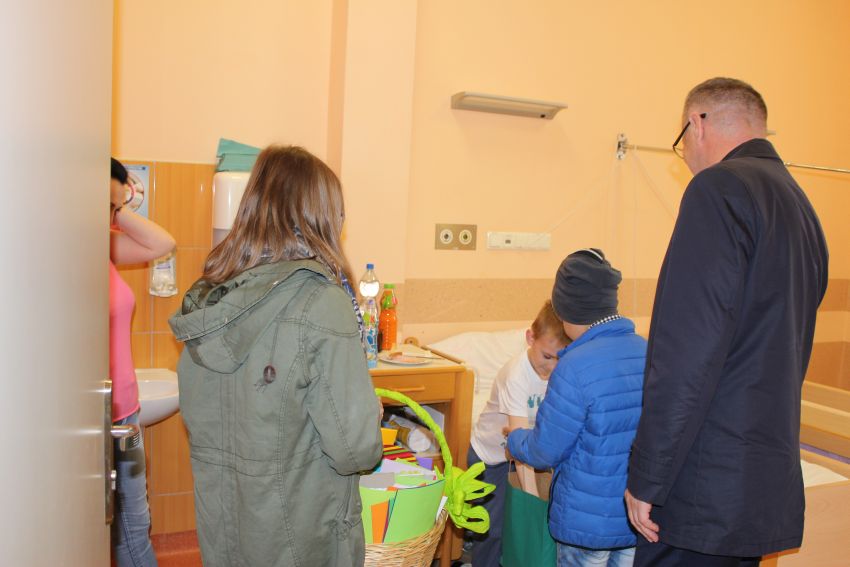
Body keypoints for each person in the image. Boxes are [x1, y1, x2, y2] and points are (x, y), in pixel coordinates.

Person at [625, 78, 829, 567]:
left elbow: (685, 355)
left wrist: (648, 476)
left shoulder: (717, 189)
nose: (686, 158)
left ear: (697, 124)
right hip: (759, 480)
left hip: (703, 480)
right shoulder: (801, 206)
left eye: (681, 143)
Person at [168, 145, 384, 567]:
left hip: (225, 531)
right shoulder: (320, 302)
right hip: (302, 536)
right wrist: (368, 414)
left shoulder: (212, 300)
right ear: (321, 219)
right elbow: (355, 450)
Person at [508, 248, 646, 567]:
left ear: (565, 309)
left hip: (585, 525)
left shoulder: (573, 366)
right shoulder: (646, 350)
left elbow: (546, 450)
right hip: (634, 516)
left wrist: (515, 439)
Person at [466, 299, 570, 566]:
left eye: (560, 358)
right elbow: (518, 443)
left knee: (522, 527)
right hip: (491, 458)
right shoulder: (516, 375)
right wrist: (531, 499)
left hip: (528, 454)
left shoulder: (558, 373)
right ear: (530, 338)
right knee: (493, 529)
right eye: (547, 356)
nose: (552, 366)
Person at [110, 157, 176, 567]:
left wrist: (116, 210)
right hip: (100, 416)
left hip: (126, 413)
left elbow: (162, 243)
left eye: (114, 206)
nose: (112, 215)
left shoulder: (102, 247)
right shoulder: (68, 256)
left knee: (134, 521)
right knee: (128, 527)